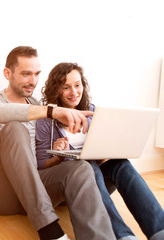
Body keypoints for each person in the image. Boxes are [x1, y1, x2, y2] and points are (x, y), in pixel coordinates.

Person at [0, 46, 116, 240]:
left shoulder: (37, 105)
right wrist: (51, 111)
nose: (33, 81)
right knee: (15, 128)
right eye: (26, 74)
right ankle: (50, 232)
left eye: (36, 74)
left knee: (81, 167)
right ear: (8, 73)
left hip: (32, 191)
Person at [36, 62, 164, 240]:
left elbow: (106, 150)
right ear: (55, 89)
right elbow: (41, 164)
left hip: (98, 180)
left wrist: (109, 151)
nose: (74, 92)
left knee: (121, 164)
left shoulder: (93, 111)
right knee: (88, 166)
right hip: (72, 187)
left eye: (77, 85)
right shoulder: (46, 122)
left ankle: (159, 231)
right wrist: (58, 156)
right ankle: (123, 236)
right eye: (66, 87)